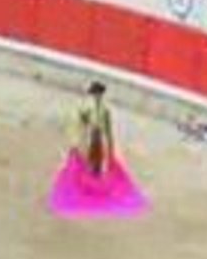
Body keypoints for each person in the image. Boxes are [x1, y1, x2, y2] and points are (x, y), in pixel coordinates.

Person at [48, 81, 147, 218]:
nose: (97, 96)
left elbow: (108, 127)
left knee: (99, 161)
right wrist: (78, 139)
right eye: (96, 93)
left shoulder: (104, 110)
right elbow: (80, 123)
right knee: (87, 160)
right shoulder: (86, 108)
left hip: (99, 137)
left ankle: (95, 183)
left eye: (99, 94)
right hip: (89, 136)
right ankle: (89, 184)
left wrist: (110, 144)